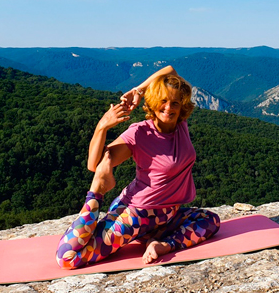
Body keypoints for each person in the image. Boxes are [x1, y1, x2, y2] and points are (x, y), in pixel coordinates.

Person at [56, 66, 220, 269]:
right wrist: (102, 127)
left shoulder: (180, 124)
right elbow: (94, 164)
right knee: (68, 258)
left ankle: (162, 245)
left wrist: (138, 90)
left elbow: (171, 71)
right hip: (137, 215)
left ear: (182, 107)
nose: (168, 107)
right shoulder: (139, 133)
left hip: (167, 216)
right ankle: (96, 194)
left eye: (175, 103)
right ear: (154, 103)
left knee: (210, 220)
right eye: (162, 101)